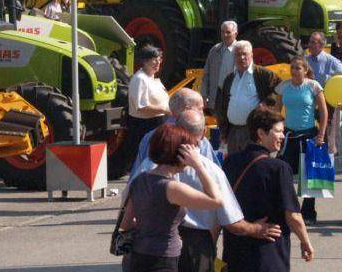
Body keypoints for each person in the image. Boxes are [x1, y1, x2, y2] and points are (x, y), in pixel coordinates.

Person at [129, 109, 281, 272]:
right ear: (203, 133)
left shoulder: (149, 166)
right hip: (195, 248)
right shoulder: (210, 170)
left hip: (147, 247)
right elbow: (230, 220)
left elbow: (129, 209)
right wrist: (257, 229)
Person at [120, 124, 223, 272]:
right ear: (180, 153)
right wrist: (198, 165)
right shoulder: (172, 188)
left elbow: (126, 223)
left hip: (138, 255)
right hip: (163, 257)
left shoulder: (139, 180)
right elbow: (216, 200)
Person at [222, 109, 314, 271]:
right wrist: (305, 241)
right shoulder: (278, 168)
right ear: (261, 133)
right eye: (278, 131)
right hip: (268, 253)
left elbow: (220, 207)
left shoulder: (230, 163)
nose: (282, 136)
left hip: (234, 252)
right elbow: (292, 215)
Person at [275, 57, 328, 226]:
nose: (294, 71)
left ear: (305, 70)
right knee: (284, 173)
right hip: (289, 136)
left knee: (309, 177)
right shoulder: (284, 86)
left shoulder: (313, 86)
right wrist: (278, 131)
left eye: (298, 68)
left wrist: (321, 135)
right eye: (292, 68)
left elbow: (324, 113)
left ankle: (309, 212)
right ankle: (289, 208)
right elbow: (277, 111)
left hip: (308, 135)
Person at [216, 40, 281, 155]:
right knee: (234, 166)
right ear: (233, 57)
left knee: (253, 164)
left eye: (244, 54)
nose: (241, 57)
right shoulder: (230, 78)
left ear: (251, 55)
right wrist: (223, 130)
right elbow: (223, 105)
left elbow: (278, 88)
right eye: (238, 54)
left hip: (253, 131)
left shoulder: (263, 74)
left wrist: (266, 105)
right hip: (233, 132)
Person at [128, 46, 170, 169]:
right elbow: (141, 106)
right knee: (146, 159)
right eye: (154, 60)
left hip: (157, 124)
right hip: (144, 126)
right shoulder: (140, 79)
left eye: (159, 59)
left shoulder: (152, 78)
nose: (158, 62)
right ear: (145, 61)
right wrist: (165, 110)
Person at [201, 21, 238, 114]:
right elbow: (206, 75)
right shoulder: (215, 50)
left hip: (234, 98)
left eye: (228, 32)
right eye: (222, 32)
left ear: (236, 33)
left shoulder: (242, 51)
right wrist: (204, 95)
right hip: (216, 97)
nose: (225, 35)